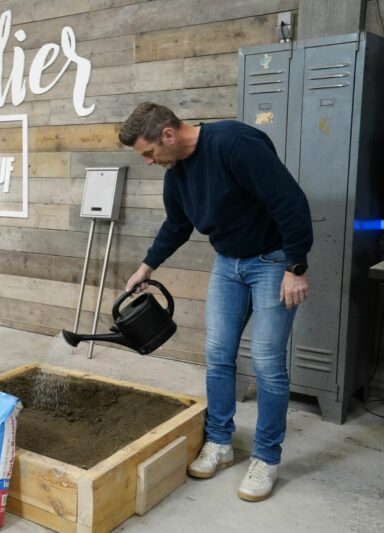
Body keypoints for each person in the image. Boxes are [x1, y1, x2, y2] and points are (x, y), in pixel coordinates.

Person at [120, 102, 312, 502]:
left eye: (149, 153)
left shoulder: (236, 144)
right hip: (229, 263)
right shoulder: (177, 173)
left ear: (168, 135)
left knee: (266, 361)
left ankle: (266, 457)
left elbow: (289, 201)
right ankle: (221, 442)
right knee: (218, 352)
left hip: (273, 261)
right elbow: (177, 223)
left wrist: (295, 265)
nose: (150, 161)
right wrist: (147, 267)